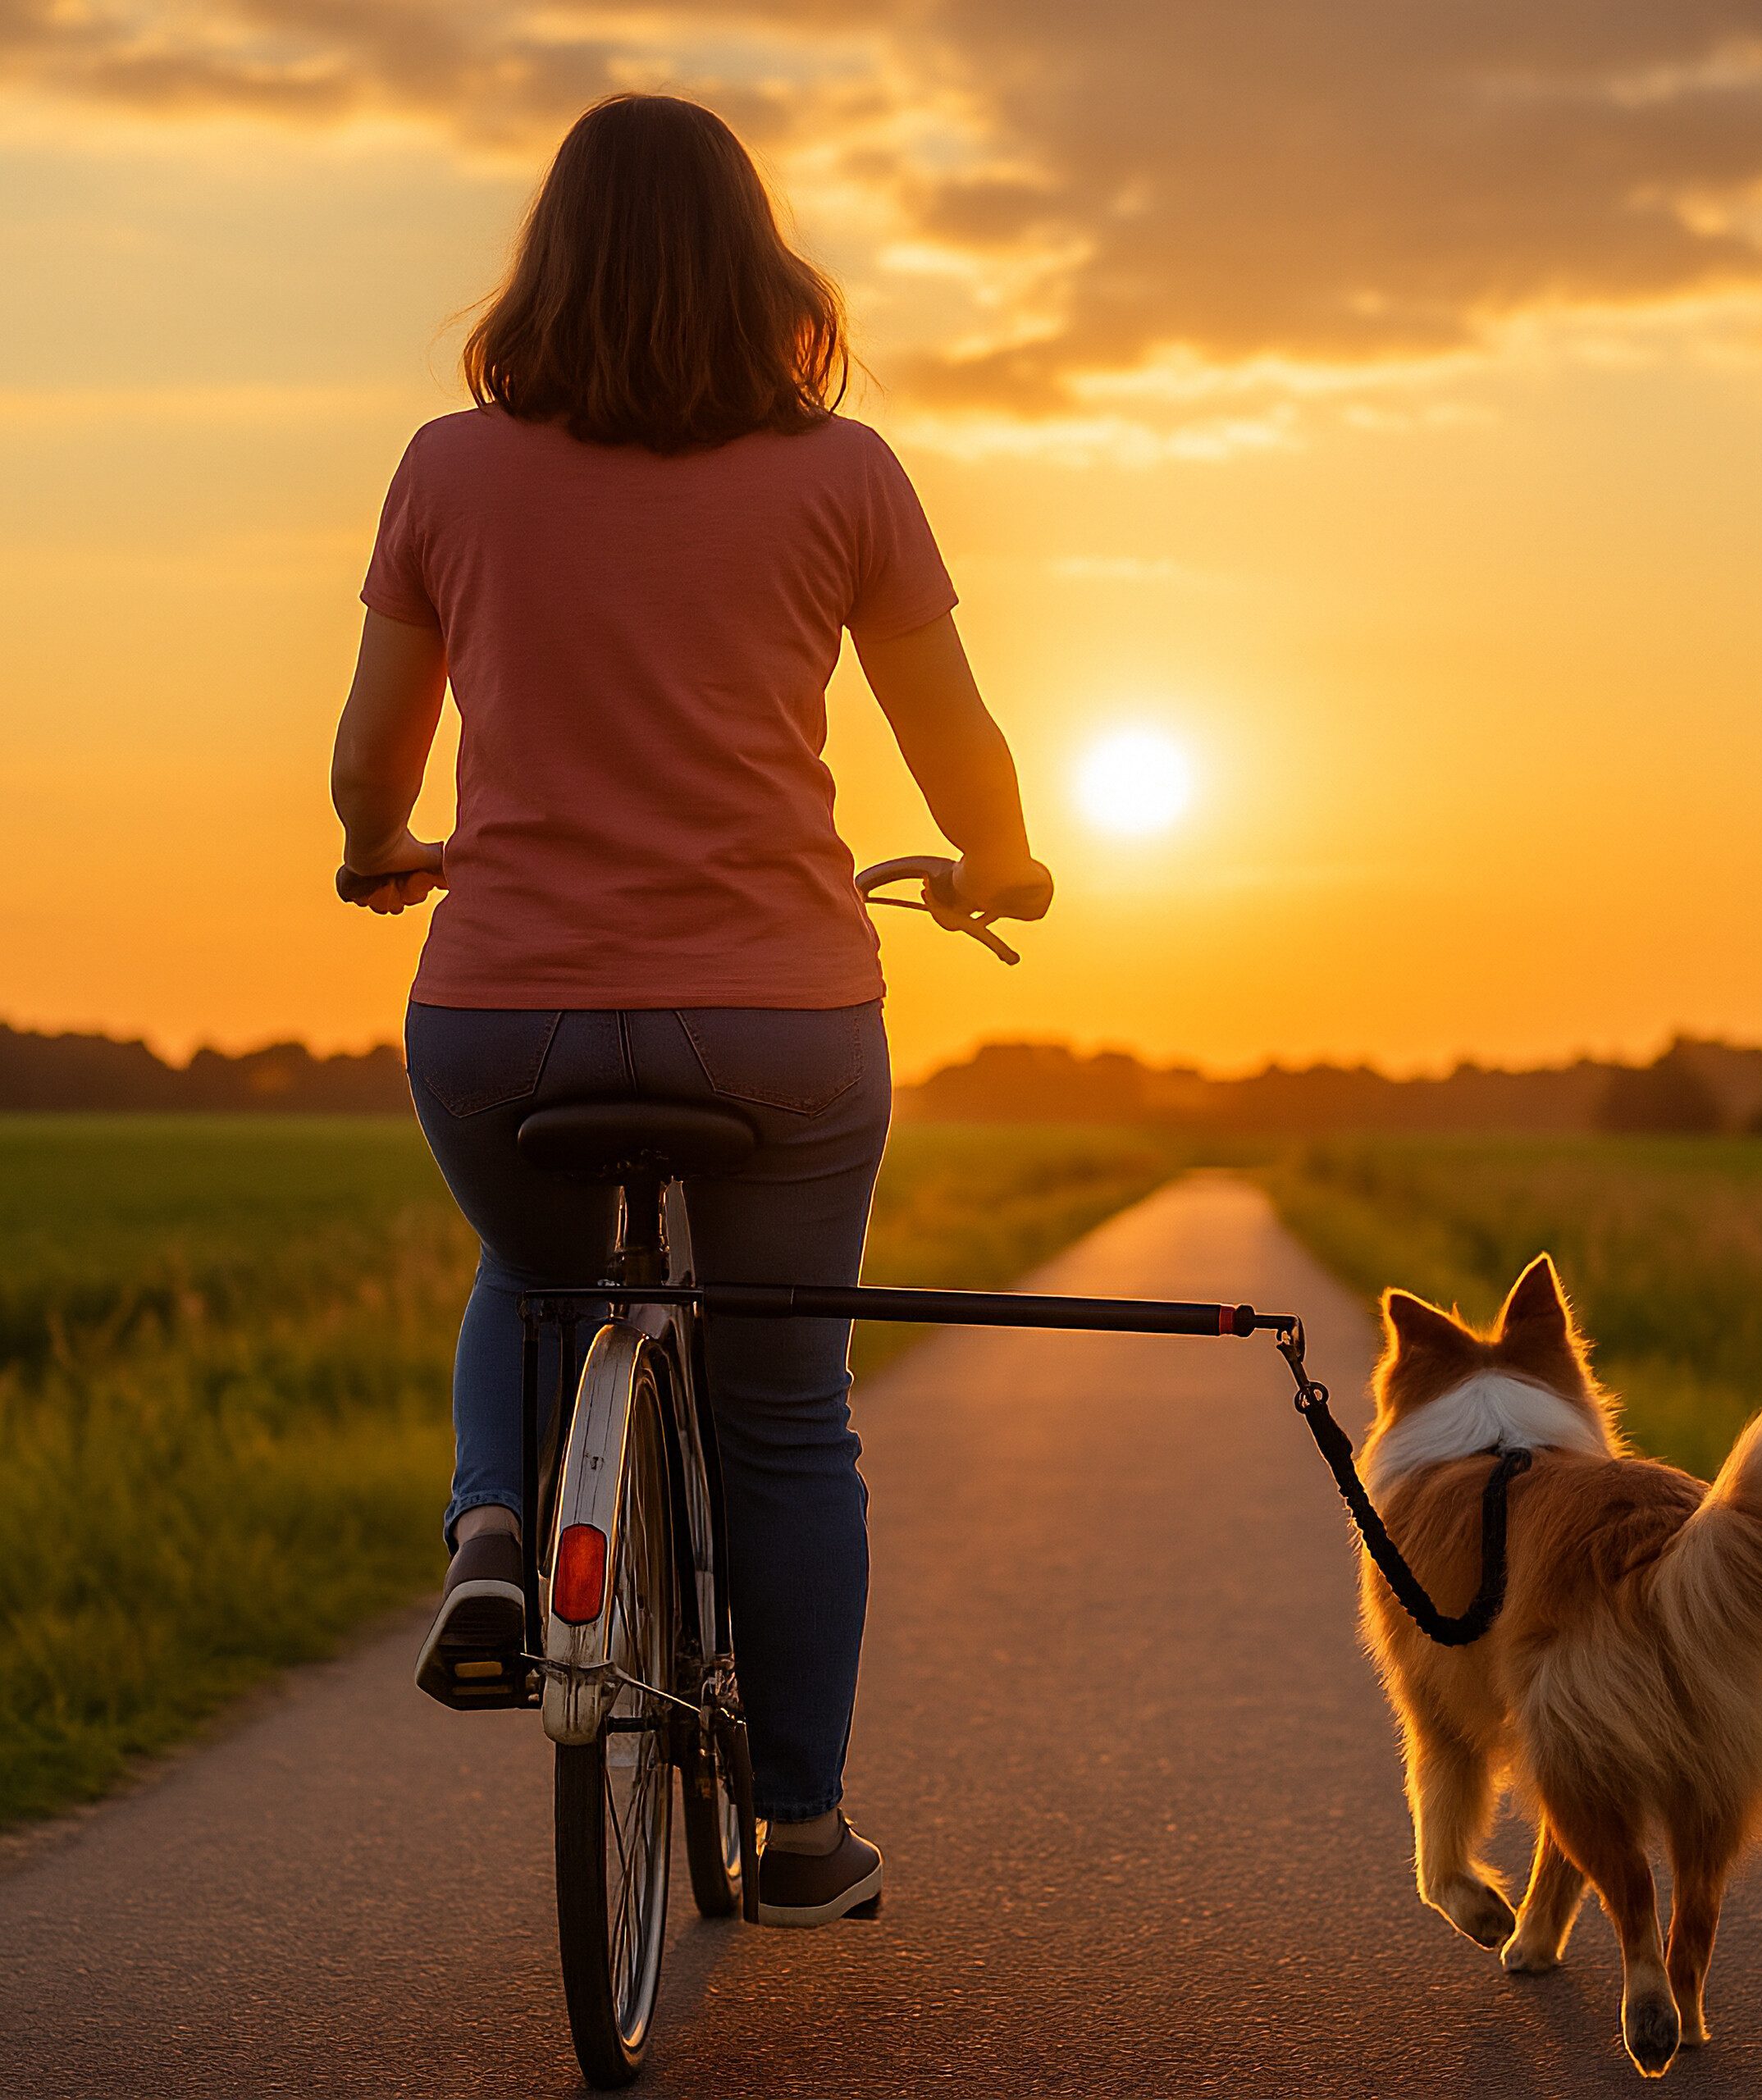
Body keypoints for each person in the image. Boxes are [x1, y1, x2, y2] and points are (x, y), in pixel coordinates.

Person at [329, 93, 1052, 1927]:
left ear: (542, 265)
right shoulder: (842, 474)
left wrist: (382, 847)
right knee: (785, 1412)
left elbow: (367, 761)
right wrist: (999, 861)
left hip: (506, 1009)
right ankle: (800, 1830)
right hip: (780, 1014)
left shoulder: (444, 465)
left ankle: (497, 1534)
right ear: (765, 269)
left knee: (537, 1268)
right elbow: (954, 743)